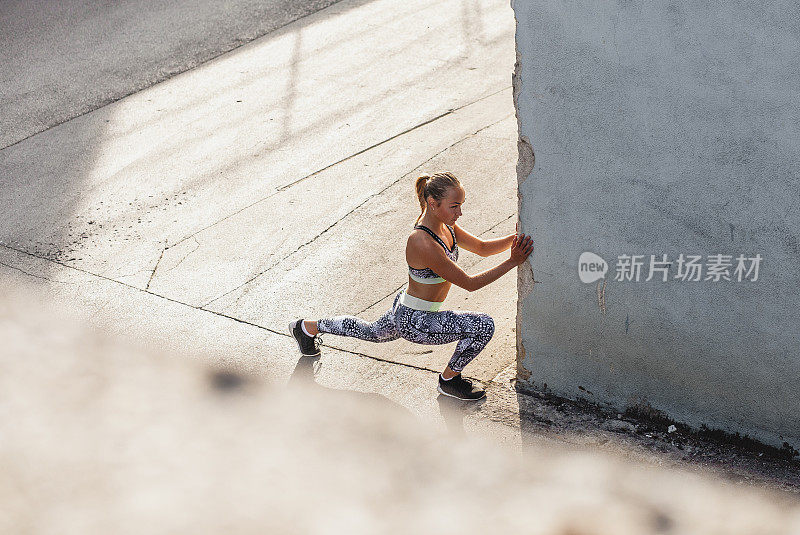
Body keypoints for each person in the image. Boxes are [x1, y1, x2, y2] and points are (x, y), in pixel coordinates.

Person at [289, 172, 534, 400]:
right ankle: (449, 381)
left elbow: (481, 248)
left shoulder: (445, 225)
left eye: (461, 205)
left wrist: (516, 239)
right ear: (432, 203)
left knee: (370, 332)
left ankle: (306, 328)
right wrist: (513, 261)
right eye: (455, 206)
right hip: (416, 320)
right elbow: (470, 284)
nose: (460, 212)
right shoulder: (423, 242)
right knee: (482, 325)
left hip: (406, 307)